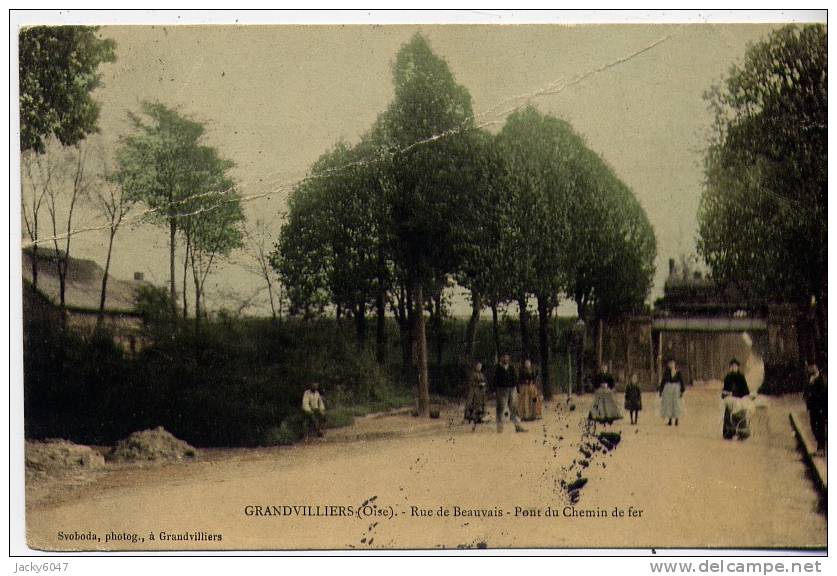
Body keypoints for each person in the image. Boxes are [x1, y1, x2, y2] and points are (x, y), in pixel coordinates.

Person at [494, 353, 526, 433]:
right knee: (501, 408)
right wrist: (494, 390)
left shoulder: (511, 367)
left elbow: (515, 378)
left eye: (507, 357)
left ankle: (517, 426)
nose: (506, 359)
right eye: (504, 357)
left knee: (514, 408)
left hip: (512, 389)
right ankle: (500, 427)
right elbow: (494, 380)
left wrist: (517, 388)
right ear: (501, 358)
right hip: (501, 390)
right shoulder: (498, 368)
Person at [721, 358, 751, 440]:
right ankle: (728, 432)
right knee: (729, 411)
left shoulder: (741, 377)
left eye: (735, 366)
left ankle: (742, 431)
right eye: (732, 366)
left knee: (741, 411)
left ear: (738, 367)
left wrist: (739, 394)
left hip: (739, 398)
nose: (733, 368)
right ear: (730, 367)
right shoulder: (728, 377)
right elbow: (724, 389)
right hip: (730, 399)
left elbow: (746, 390)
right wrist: (726, 394)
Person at [804, 363, 827, 455]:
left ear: (815, 368)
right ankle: (820, 447)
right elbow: (807, 391)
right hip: (813, 408)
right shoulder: (811, 378)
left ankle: (821, 449)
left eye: (811, 367)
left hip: (820, 407)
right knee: (813, 426)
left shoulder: (822, 379)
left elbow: (823, 394)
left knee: (820, 427)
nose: (809, 369)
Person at [659, 358, 685, 426]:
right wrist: (661, 390)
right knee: (669, 404)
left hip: (676, 389)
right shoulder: (666, 372)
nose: (671, 364)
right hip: (668, 389)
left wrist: (682, 390)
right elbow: (663, 381)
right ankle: (670, 420)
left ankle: (676, 420)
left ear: (675, 363)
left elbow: (681, 381)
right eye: (669, 363)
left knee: (676, 404)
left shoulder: (678, 372)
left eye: (672, 363)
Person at [464, 361, 488, 430]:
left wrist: (483, 385)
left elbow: (484, 381)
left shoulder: (482, 374)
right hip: (475, 391)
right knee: (474, 404)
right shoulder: (473, 374)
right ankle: (471, 418)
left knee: (481, 404)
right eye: (478, 366)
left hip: (481, 392)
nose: (479, 367)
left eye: (480, 366)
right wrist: (479, 384)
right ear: (476, 367)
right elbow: (471, 383)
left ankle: (479, 418)